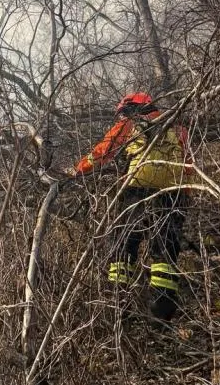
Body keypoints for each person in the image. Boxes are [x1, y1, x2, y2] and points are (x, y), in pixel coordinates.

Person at [72, 92, 191, 321]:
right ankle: (162, 313)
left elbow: (102, 153)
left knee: (124, 246)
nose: (121, 117)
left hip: (138, 191)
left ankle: (119, 308)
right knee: (166, 252)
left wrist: (76, 171)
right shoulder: (176, 127)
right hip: (173, 196)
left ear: (132, 109)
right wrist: (185, 199)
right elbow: (188, 163)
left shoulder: (129, 125)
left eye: (124, 113)